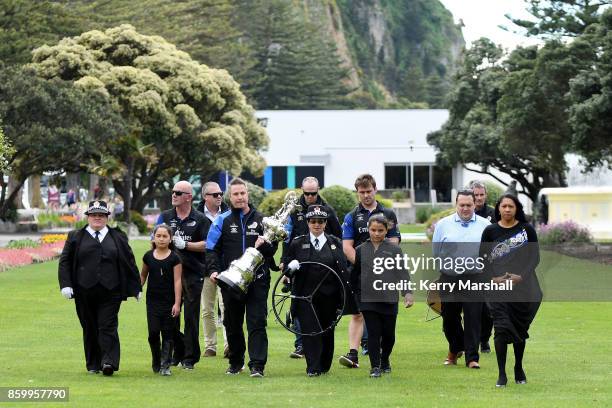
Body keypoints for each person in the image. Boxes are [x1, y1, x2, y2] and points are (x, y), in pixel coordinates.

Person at [58, 200, 141, 376]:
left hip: (111, 291)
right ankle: (93, 364)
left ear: (106, 218)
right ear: (88, 216)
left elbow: (129, 261)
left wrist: (136, 287)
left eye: (101, 215)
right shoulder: (75, 236)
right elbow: (65, 262)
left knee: (107, 325)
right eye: (94, 215)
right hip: (83, 290)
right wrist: (66, 285)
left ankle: (108, 362)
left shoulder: (118, 236)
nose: (97, 218)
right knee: (89, 326)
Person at [207, 178, 278, 378]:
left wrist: (264, 245)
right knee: (232, 323)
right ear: (230, 196)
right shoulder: (222, 220)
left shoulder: (263, 220)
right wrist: (213, 270)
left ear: (248, 195)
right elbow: (211, 249)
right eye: (235, 194)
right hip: (231, 282)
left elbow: (272, 251)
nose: (239, 197)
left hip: (258, 280)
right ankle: (236, 362)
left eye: (242, 193)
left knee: (256, 322)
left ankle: (257, 365)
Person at [480, 194, 542, 387]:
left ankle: (518, 367)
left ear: (517, 209)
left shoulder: (527, 230)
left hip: (524, 287)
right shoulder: (490, 231)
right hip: (498, 288)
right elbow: (482, 259)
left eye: (511, 206)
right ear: (498, 208)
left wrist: (520, 276)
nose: (507, 210)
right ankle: (501, 374)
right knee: (500, 329)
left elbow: (535, 258)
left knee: (519, 328)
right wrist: (493, 278)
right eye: (504, 206)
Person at [339, 174, 400, 368]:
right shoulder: (351, 216)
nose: (366, 195)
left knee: (383, 319)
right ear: (357, 193)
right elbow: (347, 246)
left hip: (385, 273)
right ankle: (353, 354)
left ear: (375, 190)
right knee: (357, 314)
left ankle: (383, 357)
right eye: (361, 192)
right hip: (359, 272)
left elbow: (394, 241)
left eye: (369, 191)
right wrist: (364, 264)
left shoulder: (388, 214)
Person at [280, 176, 342, 359]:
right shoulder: (294, 210)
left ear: (318, 190)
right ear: (301, 190)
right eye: (306, 193)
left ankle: (321, 345)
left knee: (324, 308)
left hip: (324, 264)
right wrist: (285, 261)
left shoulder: (328, 210)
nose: (309, 197)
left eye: (313, 193)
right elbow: (287, 236)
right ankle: (301, 345)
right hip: (299, 262)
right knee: (300, 302)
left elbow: (338, 236)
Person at [284, 205, 349, 376]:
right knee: (310, 331)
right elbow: (287, 270)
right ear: (308, 222)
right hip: (305, 297)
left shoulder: (335, 243)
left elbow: (343, 270)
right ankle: (312, 367)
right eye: (313, 221)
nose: (317, 224)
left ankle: (324, 365)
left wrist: (344, 298)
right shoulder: (298, 243)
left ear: (325, 223)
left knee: (327, 331)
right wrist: (291, 267)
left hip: (330, 296)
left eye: (320, 221)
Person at [432, 189, 490, 369]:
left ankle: (472, 358)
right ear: (456, 205)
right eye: (462, 205)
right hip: (449, 277)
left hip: (475, 277)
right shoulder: (443, 225)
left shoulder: (485, 225)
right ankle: (456, 347)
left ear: (475, 205)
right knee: (449, 318)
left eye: (469, 205)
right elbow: (436, 252)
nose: (465, 208)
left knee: (473, 318)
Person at [351, 214, 414, 377]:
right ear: (368, 229)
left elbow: (402, 273)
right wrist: (355, 295)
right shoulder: (360, 249)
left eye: (380, 230)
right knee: (373, 333)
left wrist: (407, 293)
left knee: (389, 336)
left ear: (387, 231)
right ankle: (375, 366)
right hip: (368, 299)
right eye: (373, 230)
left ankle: (385, 359)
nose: (376, 233)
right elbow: (354, 275)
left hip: (389, 298)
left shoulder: (394, 250)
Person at [156, 180, 210, 370]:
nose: (174, 195)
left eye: (178, 192)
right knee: (171, 316)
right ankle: (173, 354)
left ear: (189, 197)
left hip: (193, 273)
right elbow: (156, 239)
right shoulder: (165, 217)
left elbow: (208, 244)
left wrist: (185, 245)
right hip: (169, 274)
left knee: (190, 318)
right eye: (173, 192)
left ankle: (190, 357)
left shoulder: (201, 219)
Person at [140, 224, 182, 376]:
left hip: (169, 302)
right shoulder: (148, 256)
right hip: (152, 302)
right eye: (159, 236)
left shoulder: (175, 258)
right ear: (154, 237)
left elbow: (178, 281)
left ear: (170, 239)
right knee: (153, 332)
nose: (162, 239)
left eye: (165, 236)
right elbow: (143, 275)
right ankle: (156, 359)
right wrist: (137, 288)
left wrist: (177, 303)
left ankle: (165, 365)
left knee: (168, 333)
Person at [196, 181, 229, 358]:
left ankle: (228, 345)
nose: (219, 197)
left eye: (220, 194)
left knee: (226, 308)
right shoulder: (198, 216)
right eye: (215, 194)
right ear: (205, 197)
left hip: (226, 269)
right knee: (207, 309)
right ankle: (210, 346)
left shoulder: (229, 213)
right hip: (204, 268)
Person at [468, 180, 496, 353]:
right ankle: (468, 340)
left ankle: (484, 339)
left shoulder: (493, 214)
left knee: (488, 309)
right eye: (475, 195)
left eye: (481, 194)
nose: (479, 198)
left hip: (488, 268)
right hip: (466, 268)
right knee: (469, 308)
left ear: (485, 195)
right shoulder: (463, 212)